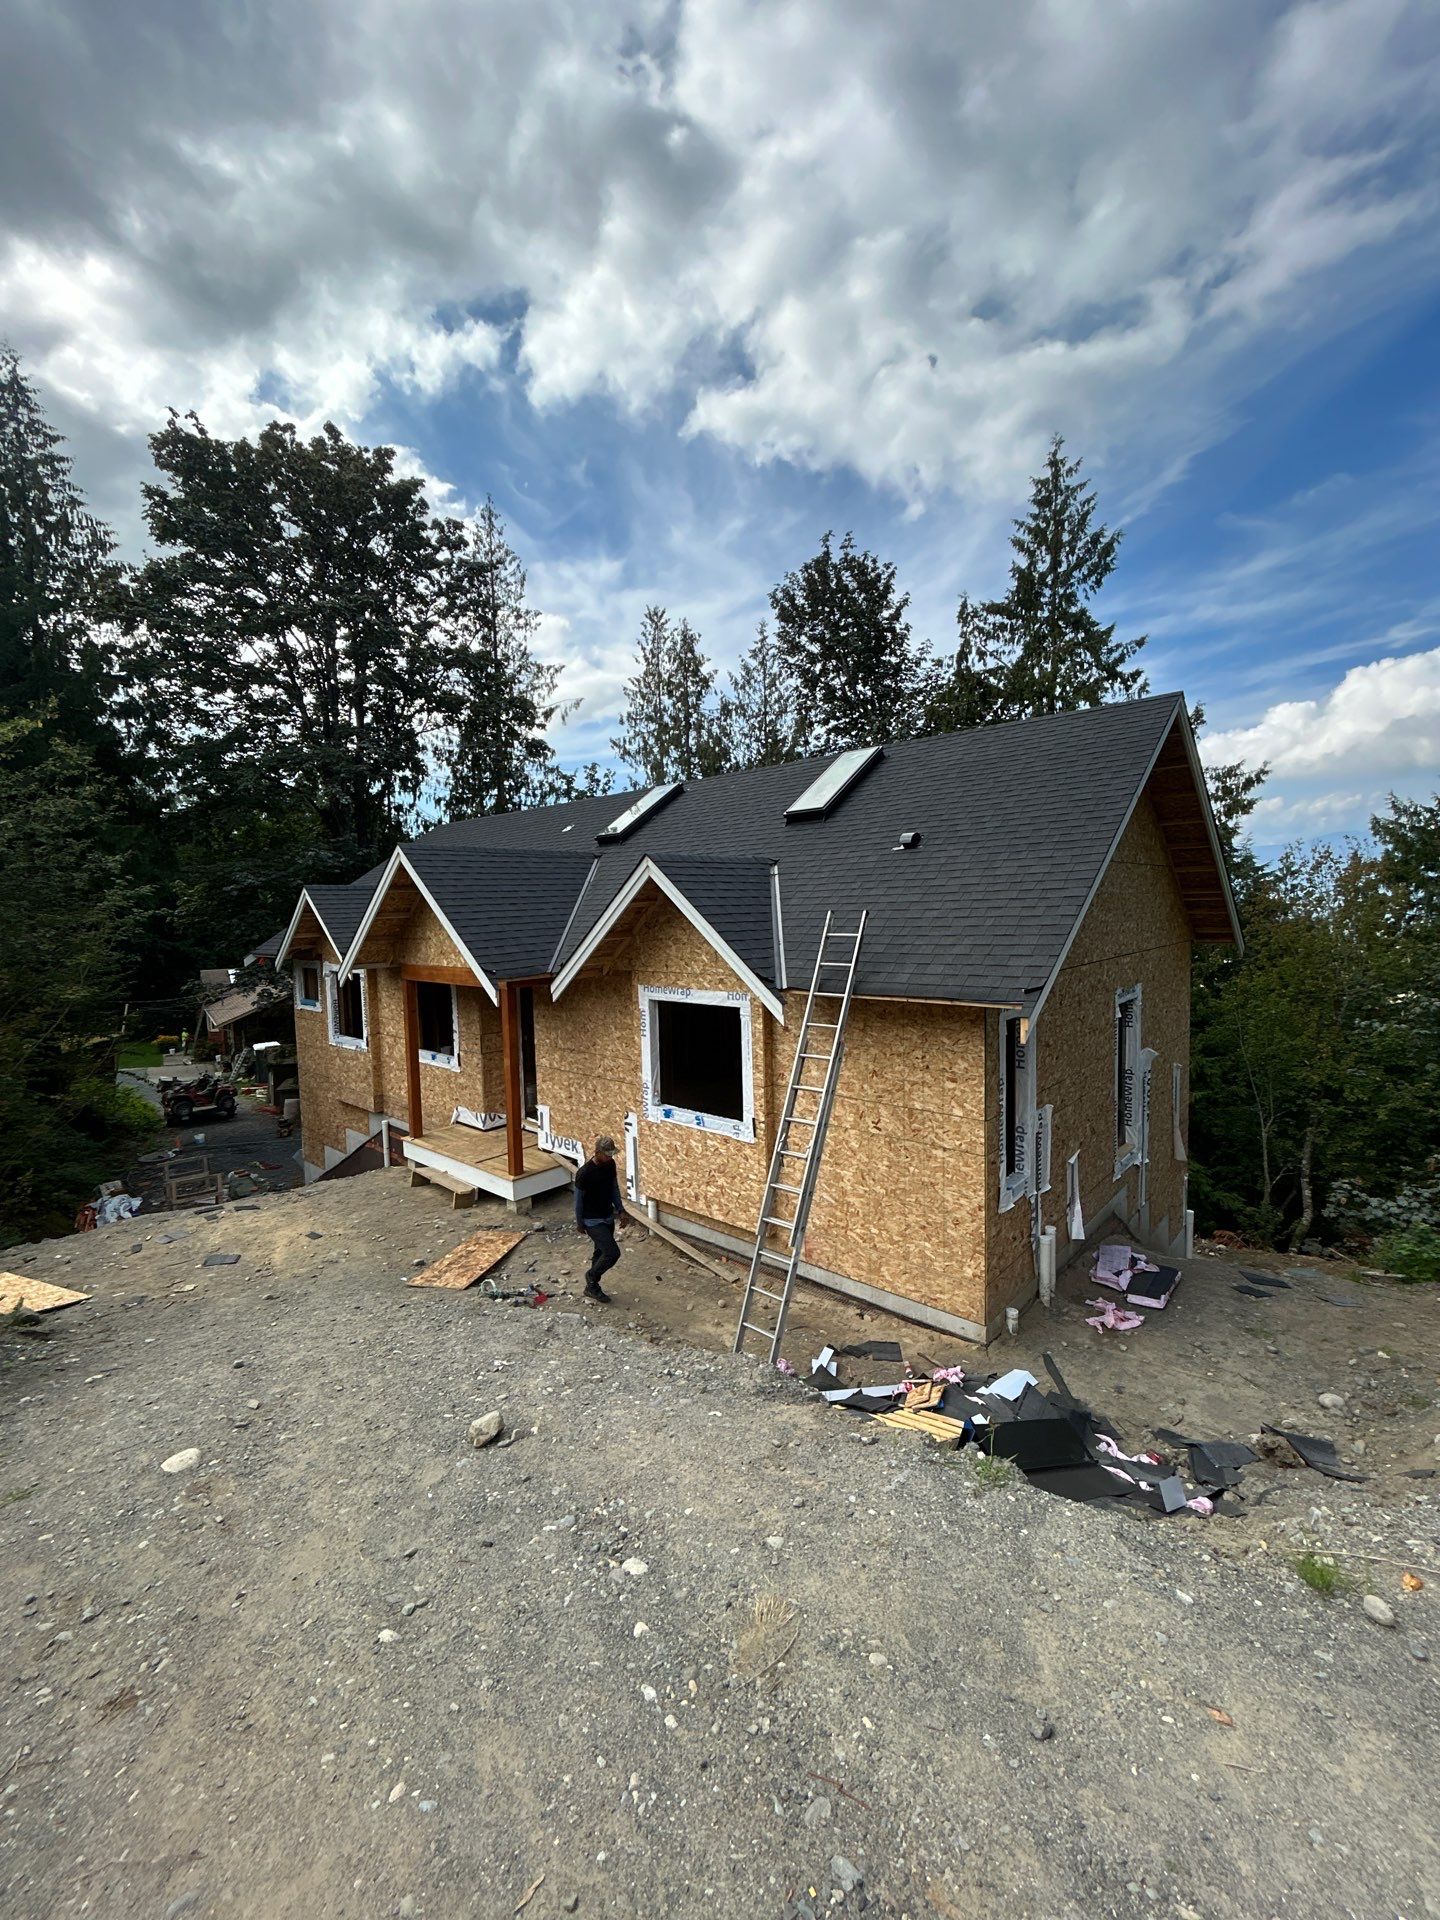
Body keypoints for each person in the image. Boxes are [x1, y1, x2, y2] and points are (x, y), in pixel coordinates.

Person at [574, 1134, 626, 1303]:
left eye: (611, 1154)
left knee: (600, 1252)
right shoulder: (584, 1173)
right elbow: (578, 1200)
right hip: (592, 1221)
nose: (610, 1157)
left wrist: (620, 1209)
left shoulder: (610, 1165)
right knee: (612, 1253)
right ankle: (591, 1277)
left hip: (607, 1217)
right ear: (597, 1152)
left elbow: (614, 1189)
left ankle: (592, 1287)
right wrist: (580, 1222)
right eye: (607, 1154)